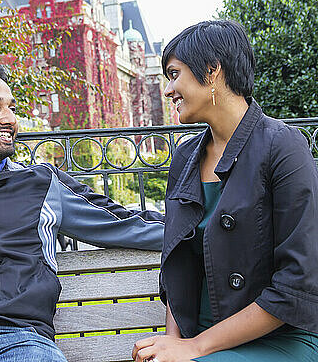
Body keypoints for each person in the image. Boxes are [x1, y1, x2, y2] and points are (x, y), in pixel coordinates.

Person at [0, 64, 164, 362]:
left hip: (21, 342)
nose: (9, 119)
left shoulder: (42, 184)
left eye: (11, 107)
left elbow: (123, 222)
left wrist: (200, 228)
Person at [132, 19, 318, 362]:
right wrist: (172, 345)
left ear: (212, 69)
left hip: (280, 335)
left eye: (174, 74)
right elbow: (178, 263)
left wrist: (195, 349)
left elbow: (297, 282)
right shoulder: (186, 158)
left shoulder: (283, 147)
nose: (169, 90)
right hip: (200, 335)